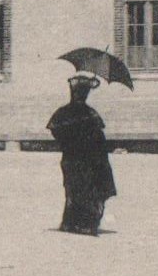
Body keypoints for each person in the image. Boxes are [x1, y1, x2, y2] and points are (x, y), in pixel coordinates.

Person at [47, 74, 117, 236]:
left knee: (74, 189)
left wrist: (67, 142)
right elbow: (99, 139)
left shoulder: (63, 112)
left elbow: (55, 130)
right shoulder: (89, 114)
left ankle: (72, 223)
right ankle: (84, 224)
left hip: (72, 159)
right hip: (85, 160)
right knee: (86, 190)